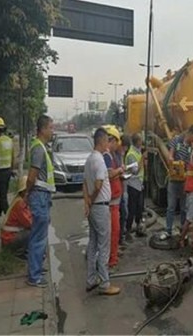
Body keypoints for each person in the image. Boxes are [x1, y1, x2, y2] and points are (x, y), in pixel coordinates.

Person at [83, 127, 120, 296]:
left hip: (93, 207)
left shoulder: (89, 159)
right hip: (100, 206)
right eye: (107, 140)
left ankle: (91, 279)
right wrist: (92, 199)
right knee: (104, 245)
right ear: (102, 141)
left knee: (93, 244)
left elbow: (85, 182)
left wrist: (87, 202)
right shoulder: (99, 160)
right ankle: (105, 284)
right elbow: (98, 184)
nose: (108, 143)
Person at [24, 115, 55, 288]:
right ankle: (34, 276)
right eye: (51, 127)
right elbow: (32, 176)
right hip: (39, 195)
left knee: (40, 235)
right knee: (38, 237)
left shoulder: (41, 147)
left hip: (43, 195)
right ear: (42, 129)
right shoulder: (38, 148)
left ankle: (36, 268)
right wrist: (27, 193)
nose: (52, 131)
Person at [162, 124, 193, 240]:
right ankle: (168, 231)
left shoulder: (191, 147)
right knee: (171, 207)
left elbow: (190, 163)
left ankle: (183, 231)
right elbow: (171, 153)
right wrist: (171, 159)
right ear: (190, 133)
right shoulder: (177, 140)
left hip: (184, 181)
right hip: (173, 180)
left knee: (184, 208)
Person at [103, 126, 124, 272]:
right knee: (113, 231)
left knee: (113, 231)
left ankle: (112, 256)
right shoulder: (106, 156)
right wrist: (120, 170)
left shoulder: (111, 155)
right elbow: (110, 175)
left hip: (114, 199)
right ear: (112, 140)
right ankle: (111, 260)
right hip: (110, 201)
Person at [1, 176, 32, 258]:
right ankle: (19, 253)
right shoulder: (20, 203)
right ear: (24, 191)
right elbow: (28, 223)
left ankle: (23, 249)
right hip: (9, 238)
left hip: (8, 236)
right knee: (31, 232)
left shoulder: (19, 200)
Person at [0, 116, 15, 215]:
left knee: (1, 196)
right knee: (4, 193)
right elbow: (13, 157)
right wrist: (12, 169)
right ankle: (1, 212)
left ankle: (7, 214)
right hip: (8, 171)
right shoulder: (9, 140)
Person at [125, 133, 145, 239]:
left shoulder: (138, 151)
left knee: (139, 208)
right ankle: (128, 231)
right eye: (141, 140)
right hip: (133, 185)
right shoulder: (131, 154)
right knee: (132, 209)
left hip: (139, 184)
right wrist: (142, 159)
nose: (142, 142)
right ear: (137, 142)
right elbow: (135, 171)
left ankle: (138, 229)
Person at [119, 134, 131, 245]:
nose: (125, 150)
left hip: (122, 189)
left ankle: (121, 237)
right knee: (122, 213)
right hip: (118, 191)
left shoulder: (121, 156)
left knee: (124, 213)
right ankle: (120, 238)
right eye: (124, 148)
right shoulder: (114, 156)